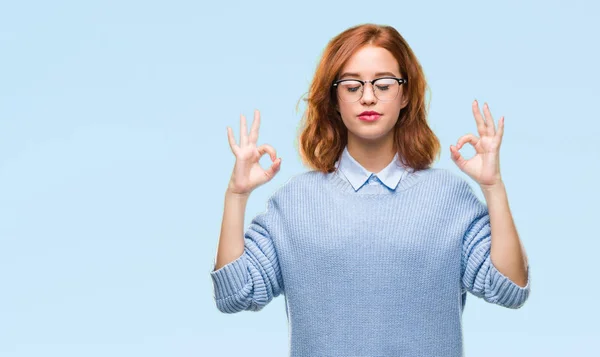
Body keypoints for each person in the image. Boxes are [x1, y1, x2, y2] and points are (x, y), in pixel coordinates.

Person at [210, 23, 531, 357]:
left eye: (383, 84)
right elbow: (236, 294)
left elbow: (509, 289)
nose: (368, 97)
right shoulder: (295, 202)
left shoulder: (449, 197)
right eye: (351, 86)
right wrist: (236, 196)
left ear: (405, 94)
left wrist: (493, 188)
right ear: (334, 98)